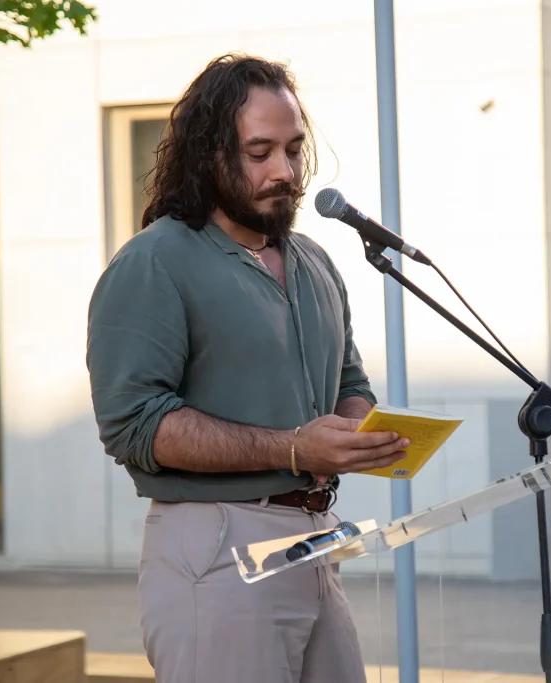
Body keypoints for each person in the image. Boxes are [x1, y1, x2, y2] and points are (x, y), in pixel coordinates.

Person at [85, 53, 410, 682]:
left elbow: (348, 383)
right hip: (218, 548)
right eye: (259, 152)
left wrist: (358, 431)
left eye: (293, 150)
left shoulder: (313, 260)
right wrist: (294, 447)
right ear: (210, 155)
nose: (285, 171)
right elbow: (133, 426)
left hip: (318, 540)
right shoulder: (154, 263)